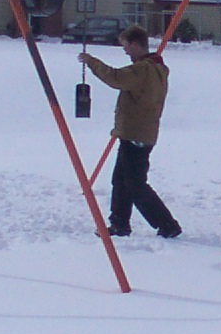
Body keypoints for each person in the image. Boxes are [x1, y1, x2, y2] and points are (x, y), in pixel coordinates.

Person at [78, 25, 182, 238]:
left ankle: (167, 224)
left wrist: (92, 62)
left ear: (135, 45)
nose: (124, 51)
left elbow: (116, 78)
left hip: (136, 134)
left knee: (135, 184)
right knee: (121, 180)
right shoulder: (156, 68)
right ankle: (119, 223)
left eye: (125, 46)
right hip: (137, 132)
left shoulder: (143, 69)